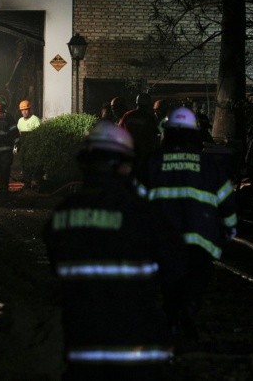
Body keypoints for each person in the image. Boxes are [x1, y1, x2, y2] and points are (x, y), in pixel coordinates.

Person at [43, 121, 178, 380]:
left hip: (84, 351)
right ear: (123, 164)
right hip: (140, 353)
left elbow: (55, 265)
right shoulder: (142, 213)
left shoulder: (62, 215)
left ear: (84, 163)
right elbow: (176, 270)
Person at [136, 106, 238, 343]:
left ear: (166, 133)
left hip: (163, 242)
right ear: (195, 134)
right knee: (195, 281)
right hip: (201, 241)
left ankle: (173, 319)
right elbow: (227, 202)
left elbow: (135, 203)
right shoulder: (209, 164)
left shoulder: (152, 163)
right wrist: (229, 229)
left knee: (168, 282)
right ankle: (187, 313)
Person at [118, 92, 160, 167]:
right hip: (143, 152)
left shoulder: (128, 115)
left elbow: (120, 130)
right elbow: (153, 135)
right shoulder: (149, 118)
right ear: (149, 104)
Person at [15, 99, 41, 188]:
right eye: (22, 110)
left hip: (33, 146)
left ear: (29, 109)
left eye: (26, 109)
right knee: (24, 163)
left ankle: (36, 182)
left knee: (33, 164)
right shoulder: (20, 121)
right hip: (23, 146)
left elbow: (39, 134)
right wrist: (17, 146)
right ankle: (27, 183)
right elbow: (18, 134)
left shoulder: (35, 119)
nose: (24, 112)